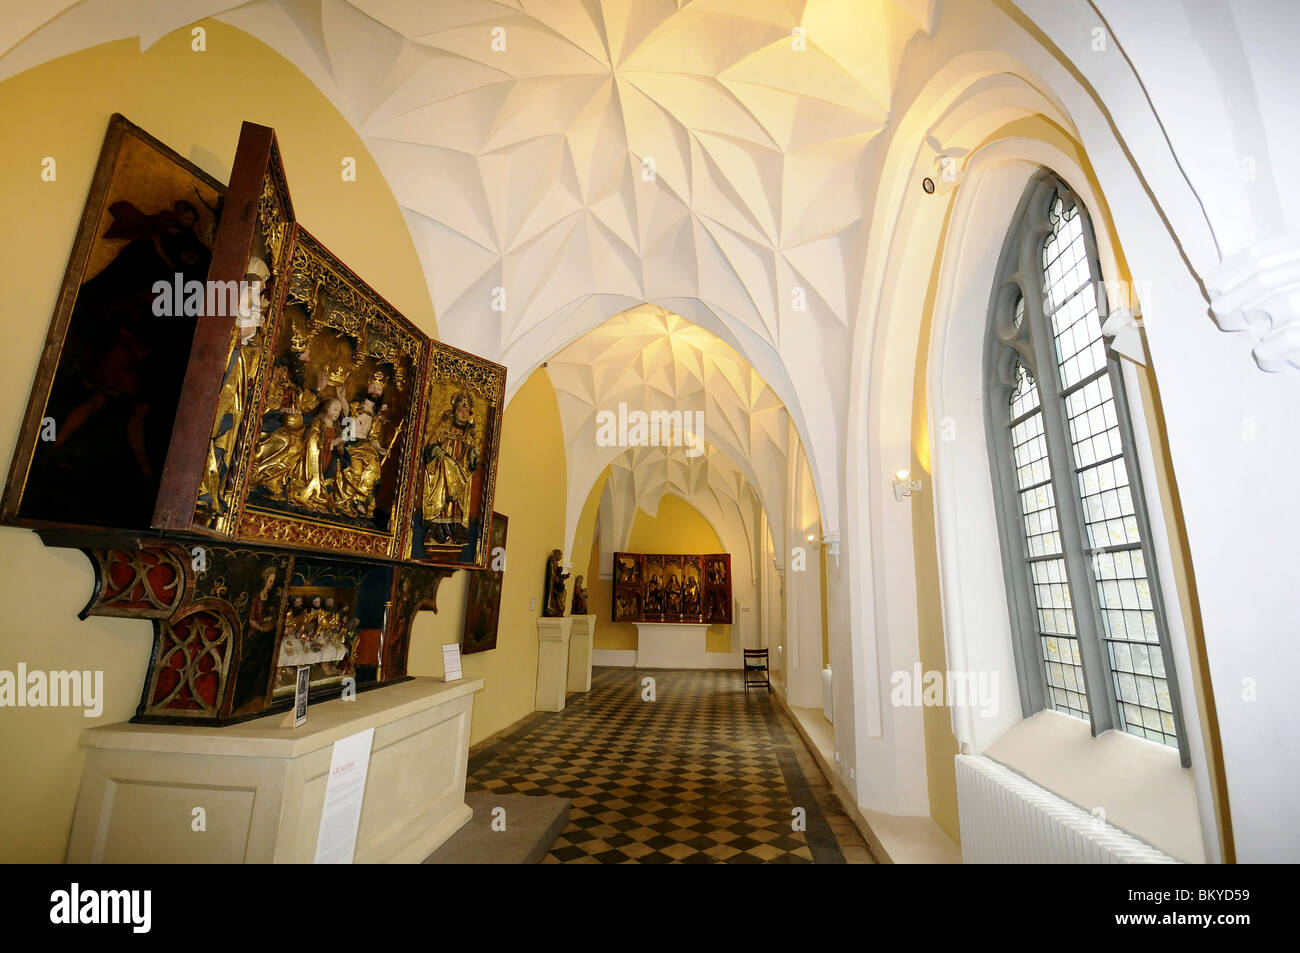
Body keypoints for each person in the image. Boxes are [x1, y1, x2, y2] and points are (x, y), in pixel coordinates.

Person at [421, 391, 480, 545]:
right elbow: (432, 444)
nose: (463, 413)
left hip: (461, 468)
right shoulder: (445, 425)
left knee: (458, 497)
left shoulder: (470, 433)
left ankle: (455, 530)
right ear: (455, 411)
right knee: (443, 492)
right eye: (460, 410)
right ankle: (438, 529)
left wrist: (474, 453)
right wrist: (437, 450)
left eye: (466, 411)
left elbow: (473, 454)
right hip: (444, 467)